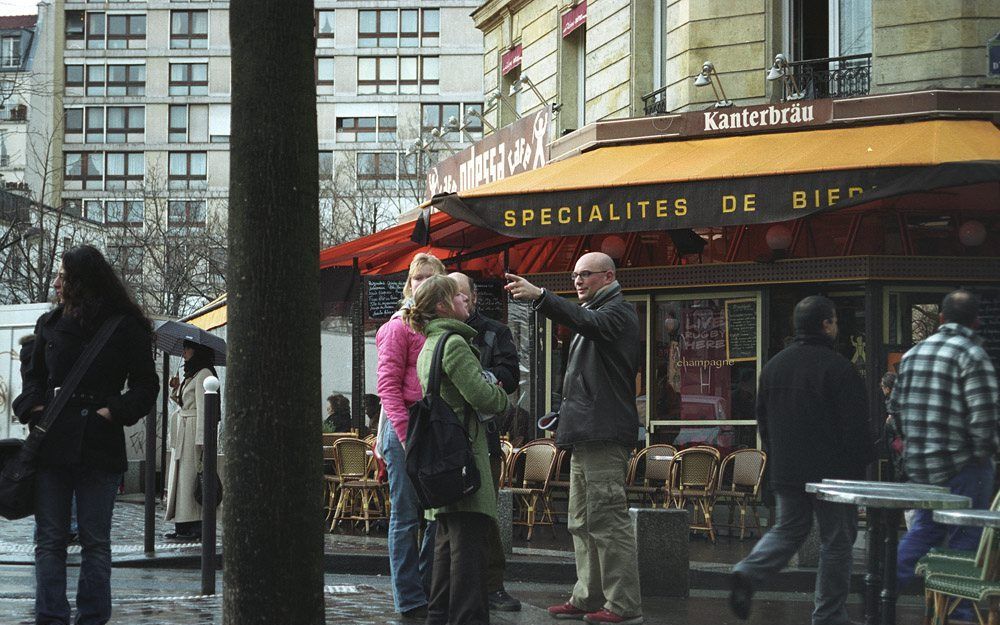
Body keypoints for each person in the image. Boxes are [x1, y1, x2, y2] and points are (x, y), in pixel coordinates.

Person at [12, 245, 158, 625]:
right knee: (50, 540)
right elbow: (32, 382)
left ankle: (92, 617)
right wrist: (36, 407)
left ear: (82, 280)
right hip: (53, 443)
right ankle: (51, 617)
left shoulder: (124, 326)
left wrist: (114, 411)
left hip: (99, 442)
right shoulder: (49, 325)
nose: (57, 283)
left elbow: (145, 385)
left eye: (63, 275)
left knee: (95, 541)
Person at [505, 252, 644, 625]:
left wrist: (541, 297)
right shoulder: (601, 315)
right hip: (587, 434)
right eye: (575, 274)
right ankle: (587, 597)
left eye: (586, 274)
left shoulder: (617, 313)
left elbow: (586, 321)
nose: (578, 280)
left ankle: (624, 605)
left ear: (609, 276)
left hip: (603, 435)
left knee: (608, 520)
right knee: (581, 521)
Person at [728, 295, 874, 625]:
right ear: (826, 324)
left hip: (788, 470)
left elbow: (762, 421)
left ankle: (748, 571)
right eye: (834, 321)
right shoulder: (840, 368)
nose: (836, 326)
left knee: (788, 530)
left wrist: (779, 456)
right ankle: (828, 615)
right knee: (836, 542)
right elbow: (855, 428)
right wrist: (860, 468)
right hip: (834, 475)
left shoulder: (774, 368)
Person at [404, 274, 509, 625]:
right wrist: (501, 398)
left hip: (441, 459)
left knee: (445, 550)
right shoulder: (455, 344)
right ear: (442, 305)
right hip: (464, 458)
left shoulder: (430, 344)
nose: (467, 301)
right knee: (469, 554)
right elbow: (481, 396)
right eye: (459, 297)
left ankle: (439, 617)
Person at [890, 290, 999, 621]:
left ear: (940, 319)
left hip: (923, 467)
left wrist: (915, 444)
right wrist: (983, 455)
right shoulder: (972, 355)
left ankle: (885, 585)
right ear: (976, 320)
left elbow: (895, 408)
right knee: (966, 539)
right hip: (963, 464)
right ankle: (959, 612)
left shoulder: (912, 355)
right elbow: (984, 414)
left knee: (925, 530)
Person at [375, 252, 447, 619]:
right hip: (405, 428)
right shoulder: (398, 326)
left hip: (434, 430)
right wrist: (403, 436)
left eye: (429, 278)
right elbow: (387, 387)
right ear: (409, 283)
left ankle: (423, 586)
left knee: (436, 515)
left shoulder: (441, 327)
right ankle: (409, 597)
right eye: (417, 278)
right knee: (405, 517)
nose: (422, 283)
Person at [163, 340, 219, 541]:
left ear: (197, 351)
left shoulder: (204, 373)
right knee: (181, 478)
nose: (184, 352)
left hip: (193, 430)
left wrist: (202, 439)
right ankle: (183, 523)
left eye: (187, 348)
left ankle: (195, 524)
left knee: (191, 477)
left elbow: (205, 407)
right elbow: (184, 402)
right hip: (184, 429)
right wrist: (175, 388)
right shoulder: (192, 375)